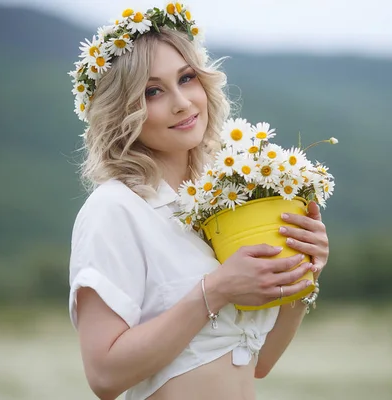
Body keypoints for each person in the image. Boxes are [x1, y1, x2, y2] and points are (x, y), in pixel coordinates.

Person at [67, 3, 330, 400]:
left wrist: (301, 272)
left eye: (186, 78)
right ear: (122, 112)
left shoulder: (225, 207)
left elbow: (258, 364)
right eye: (153, 91)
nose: (182, 102)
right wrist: (216, 289)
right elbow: (103, 376)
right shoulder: (115, 209)